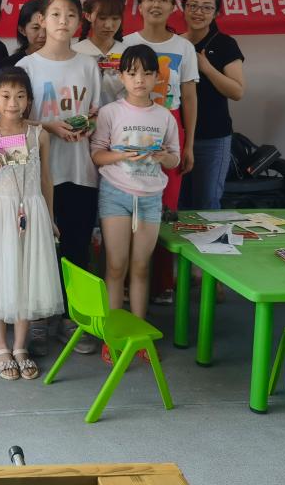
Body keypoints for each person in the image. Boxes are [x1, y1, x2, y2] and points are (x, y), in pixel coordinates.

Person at [16, 0, 101, 356]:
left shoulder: (89, 65)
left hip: (80, 170)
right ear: (41, 20)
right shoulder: (27, 68)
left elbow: (98, 112)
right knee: (37, 248)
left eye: (70, 15)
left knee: (76, 247)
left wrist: (88, 125)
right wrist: (49, 126)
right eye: (55, 14)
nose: (63, 21)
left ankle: (72, 318)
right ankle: (37, 318)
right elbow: (13, 119)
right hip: (40, 173)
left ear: (80, 21)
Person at [0, 68, 62, 380]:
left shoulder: (39, 136)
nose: (13, 102)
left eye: (20, 96)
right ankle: (1, 347)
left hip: (32, 212)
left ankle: (20, 347)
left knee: (26, 277)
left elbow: (46, 179)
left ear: (29, 101)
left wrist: (50, 217)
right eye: (6, 95)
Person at [90, 45, 180, 365]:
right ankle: (114, 335)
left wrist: (163, 157)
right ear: (121, 76)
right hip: (115, 193)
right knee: (116, 266)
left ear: (157, 77)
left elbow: (175, 158)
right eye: (132, 73)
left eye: (147, 73)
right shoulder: (110, 112)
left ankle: (140, 334)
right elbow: (97, 154)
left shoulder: (164, 115)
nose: (139, 79)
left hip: (150, 197)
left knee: (142, 267)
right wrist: (121, 155)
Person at [121, 0, 198, 303]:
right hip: (132, 127)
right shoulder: (125, 43)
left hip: (170, 127)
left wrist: (188, 144)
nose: (156, 4)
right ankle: (129, 282)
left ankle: (163, 283)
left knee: (166, 207)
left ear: (172, 7)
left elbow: (190, 96)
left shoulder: (184, 47)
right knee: (130, 204)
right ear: (139, 6)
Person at [179, 0, 245, 210]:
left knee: (206, 203)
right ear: (183, 8)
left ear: (216, 12)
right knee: (177, 204)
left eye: (207, 7)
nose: (198, 12)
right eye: (193, 5)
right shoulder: (176, 43)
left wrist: (206, 68)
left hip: (212, 138)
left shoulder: (225, 44)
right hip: (176, 137)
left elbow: (237, 92)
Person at [75, 0, 126, 105]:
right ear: (88, 16)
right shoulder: (74, 52)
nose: (109, 25)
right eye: (102, 18)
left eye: (115, 18)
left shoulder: (127, 54)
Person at [4, 0, 45, 67]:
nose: (42, 35)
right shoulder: (11, 65)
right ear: (22, 30)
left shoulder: (61, 60)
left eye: (47, 28)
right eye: (36, 28)